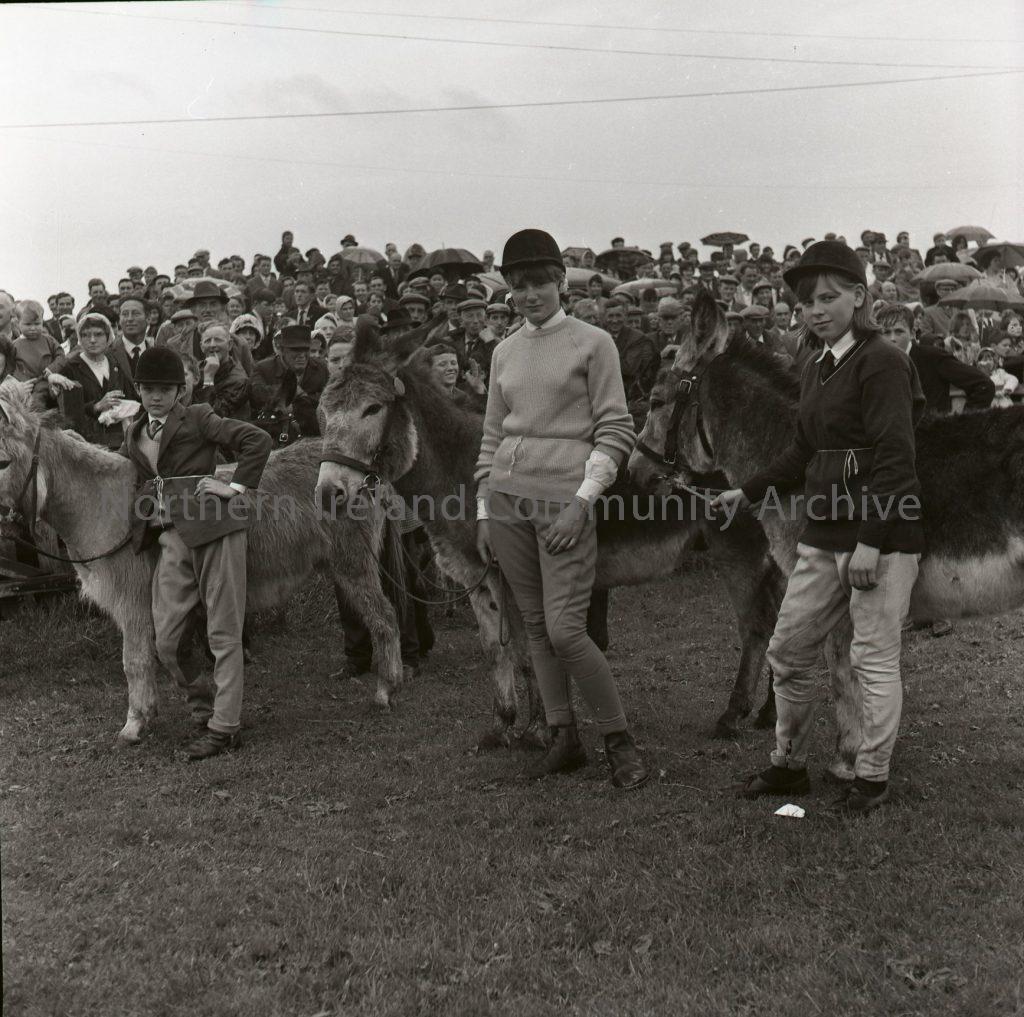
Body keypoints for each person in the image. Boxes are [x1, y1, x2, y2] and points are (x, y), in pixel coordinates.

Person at [713, 241, 925, 814]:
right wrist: (748, 490)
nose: (815, 310)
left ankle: (872, 777)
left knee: (872, 659)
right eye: (806, 303)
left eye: (828, 298)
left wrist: (871, 541)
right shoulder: (815, 365)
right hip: (824, 530)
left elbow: (896, 460)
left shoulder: (883, 360)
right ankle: (788, 766)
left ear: (859, 296)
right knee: (787, 649)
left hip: (880, 536)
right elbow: (803, 450)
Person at [474, 228, 648, 790]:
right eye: (518, 285)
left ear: (560, 283)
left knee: (567, 629)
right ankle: (563, 737)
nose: (528, 295)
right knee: (533, 625)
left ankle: (619, 741)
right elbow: (492, 436)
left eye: (539, 283)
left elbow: (616, 429)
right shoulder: (504, 350)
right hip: (506, 502)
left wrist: (581, 504)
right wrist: (484, 512)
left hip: (565, 503)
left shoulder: (594, 343)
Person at [120, 346, 271, 760]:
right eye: (148, 389)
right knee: (167, 641)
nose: (156, 396)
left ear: (179, 390)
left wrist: (233, 487)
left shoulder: (200, 416)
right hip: (170, 538)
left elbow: (256, 440)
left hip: (216, 531)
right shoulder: (133, 432)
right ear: (138, 390)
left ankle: (224, 728)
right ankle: (205, 708)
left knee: (223, 632)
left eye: (165, 389)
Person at [877, 302, 993, 414]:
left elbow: (984, 385)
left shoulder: (932, 357)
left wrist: (963, 422)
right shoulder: (875, 363)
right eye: (886, 332)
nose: (892, 338)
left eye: (899, 332)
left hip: (932, 425)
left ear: (912, 333)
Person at [250, 323, 329, 437]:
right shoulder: (263, 369)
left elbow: (327, 401)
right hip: (275, 435)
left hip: (312, 435)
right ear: (282, 350)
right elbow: (258, 398)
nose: (302, 355)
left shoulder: (321, 369)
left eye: (306, 349)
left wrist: (299, 401)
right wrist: (288, 392)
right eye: (295, 350)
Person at [191, 323, 251, 420]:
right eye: (207, 341)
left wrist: (208, 379)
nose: (212, 345)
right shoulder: (195, 369)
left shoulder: (239, 380)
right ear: (201, 347)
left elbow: (213, 416)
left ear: (229, 345)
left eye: (218, 340)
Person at [12, 300, 62, 382]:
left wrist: (52, 368)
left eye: (37, 324)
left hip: (49, 380)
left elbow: (61, 356)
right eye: (28, 324)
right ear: (18, 323)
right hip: (26, 384)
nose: (33, 328)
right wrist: (22, 380)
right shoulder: (14, 345)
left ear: (42, 322)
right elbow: (10, 366)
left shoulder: (49, 340)